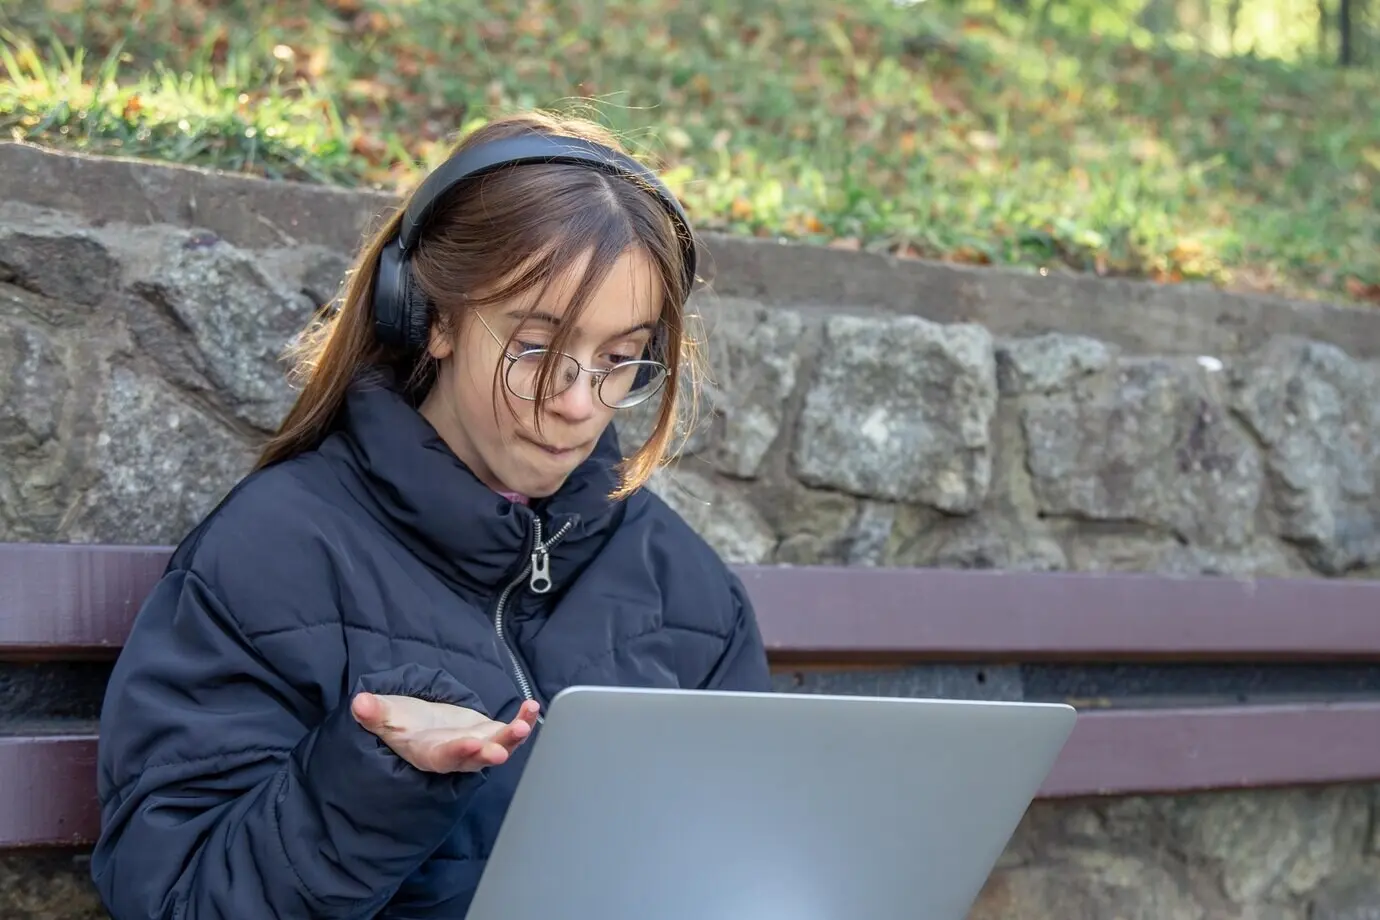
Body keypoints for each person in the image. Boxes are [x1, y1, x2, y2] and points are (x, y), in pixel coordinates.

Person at [89, 111, 773, 920]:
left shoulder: (689, 589)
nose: (580, 403)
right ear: (431, 318)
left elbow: (743, 869)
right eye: (536, 350)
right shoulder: (272, 555)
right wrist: (370, 781)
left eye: (620, 360)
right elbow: (177, 896)